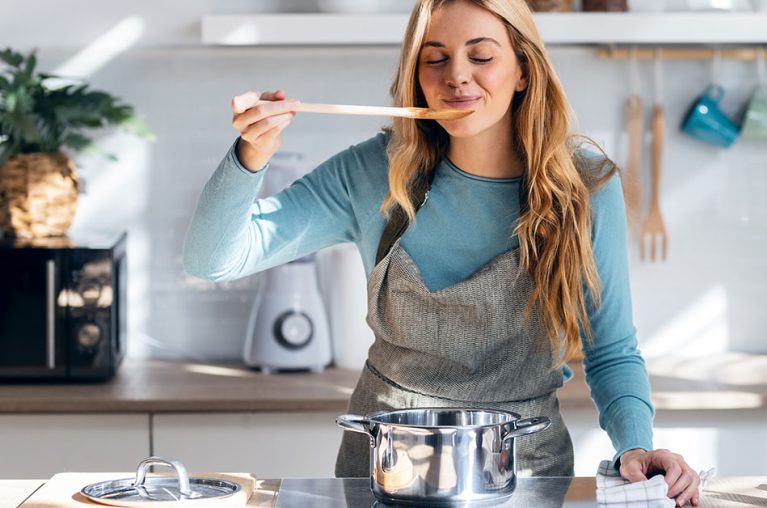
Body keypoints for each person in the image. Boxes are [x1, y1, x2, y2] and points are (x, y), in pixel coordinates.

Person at [183, 0, 700, 505]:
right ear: (416, 75)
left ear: (523, 70)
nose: (456, 76)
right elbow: (212, 259)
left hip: (525, 478)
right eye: (435, 58)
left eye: (481, 57)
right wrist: (250, 156)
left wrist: (636, 446)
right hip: (382, 476)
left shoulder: (583, 185)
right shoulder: (372, 173)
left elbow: (611, 351)